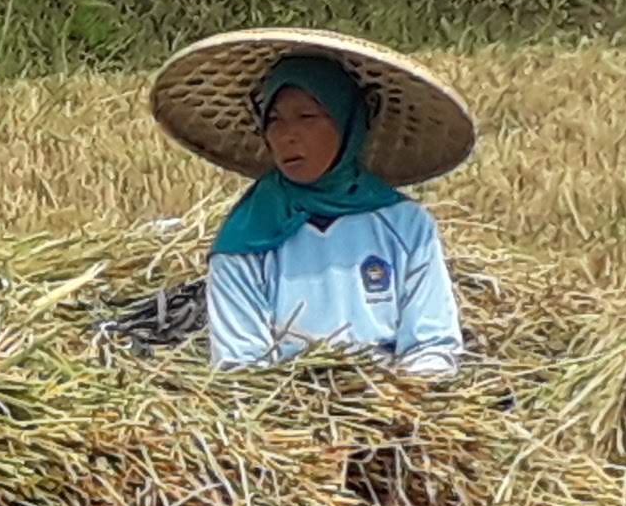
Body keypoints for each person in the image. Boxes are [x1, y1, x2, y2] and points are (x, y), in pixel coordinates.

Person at [146, 26, 475, 372]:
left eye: (307, 117)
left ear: (349, 122)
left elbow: (432, 344)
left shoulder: (404, 225)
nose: (288, 136)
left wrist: (401, 401)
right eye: (274, 120)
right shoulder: (247, 238)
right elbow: (241, 366)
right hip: (287, 413)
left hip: (396, 404)